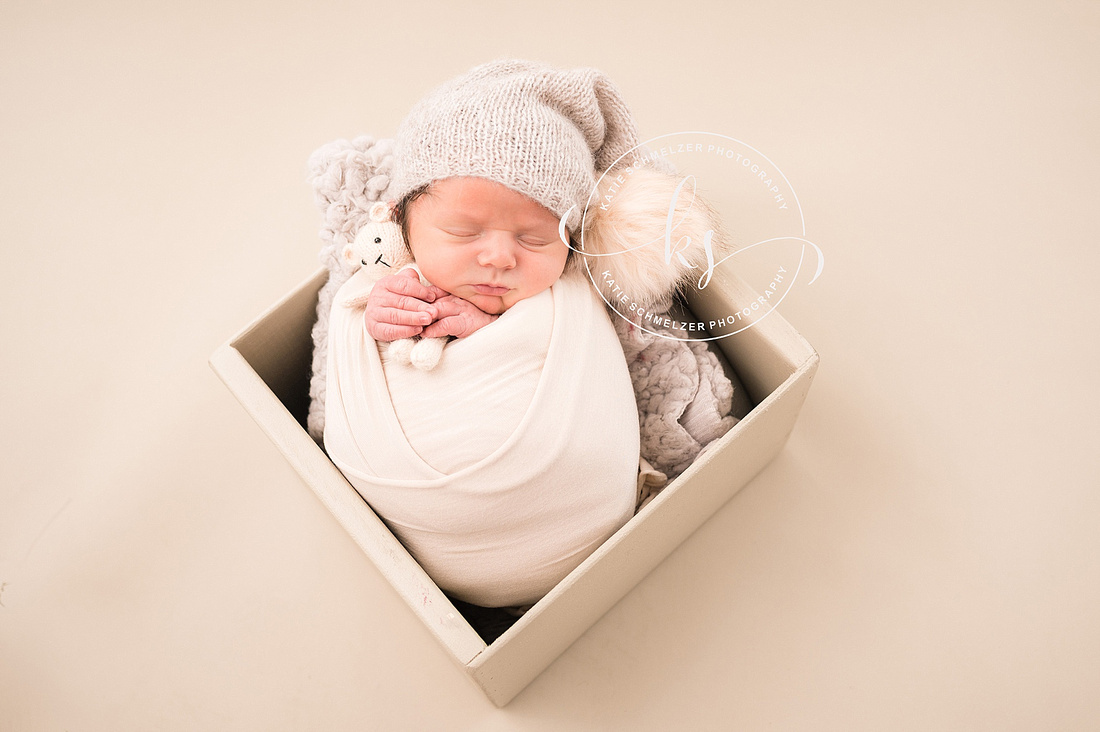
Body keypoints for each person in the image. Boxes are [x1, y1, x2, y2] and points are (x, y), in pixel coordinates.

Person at [323, 59, 649, 609]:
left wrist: (494, 327)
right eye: (462, 230)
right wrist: (378, 314)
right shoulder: (396, 270)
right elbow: (355, 323)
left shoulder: (564, 290)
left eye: (536, 239)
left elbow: (573, 340)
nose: (499, 256)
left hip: (574, 508)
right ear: (400, 220)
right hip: (419, 516)